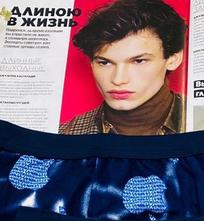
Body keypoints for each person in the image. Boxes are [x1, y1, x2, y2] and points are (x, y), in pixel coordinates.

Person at [59, 0, 186, 135]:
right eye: (105, 63)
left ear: (173, 59)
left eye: (138, 61)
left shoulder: (200, 121)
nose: (118, 80)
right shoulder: (64, 134)